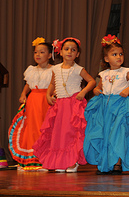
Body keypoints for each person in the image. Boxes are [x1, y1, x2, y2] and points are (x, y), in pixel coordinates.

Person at [33, 37, 96, 172]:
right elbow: (52, 84)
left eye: (73, 50)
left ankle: (72, 161)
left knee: (71, 133)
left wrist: (83, 92)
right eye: (66, 49)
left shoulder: (79, 69)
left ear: (77, 54)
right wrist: (48, 95)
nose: (69, 52)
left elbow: (91, 81)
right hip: (59, 105)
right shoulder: (55, 68)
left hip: (73, 104)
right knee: (58, 133)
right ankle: (58, 162)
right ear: (60, 52)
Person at [84, 35, 129, 175]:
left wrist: (128, 89)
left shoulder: (126, 72)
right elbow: (98, 88)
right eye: (114, 54)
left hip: (120, 106)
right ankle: (104, 164)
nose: (118, 57)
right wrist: (97, 91)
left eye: (121, 54)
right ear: (106, 59)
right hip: (106, 107)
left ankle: (117, 163)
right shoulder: (103, 74)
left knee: (119, 134)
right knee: (106, 135)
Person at [8, 37, 53, 171]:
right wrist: (23, 94)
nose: (38, 55)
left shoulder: (54, 70)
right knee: (30, 128)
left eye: (42, 52)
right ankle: (28, 159)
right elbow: (28, 83)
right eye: (36, 52)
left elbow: (54, 85)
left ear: (50, 55)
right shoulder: (31, 70)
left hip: (46, 100)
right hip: (33, 100)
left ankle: (44, 159)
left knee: (43, 128)